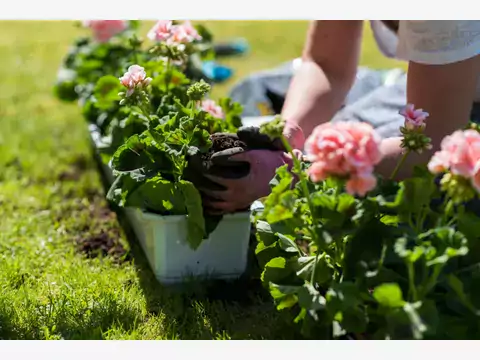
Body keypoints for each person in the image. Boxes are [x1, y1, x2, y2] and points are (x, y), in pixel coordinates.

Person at [193, 20, 480, 214]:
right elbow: (326, 64)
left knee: (405, 211)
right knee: (339, 138)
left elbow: (432, 144)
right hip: (444, 92)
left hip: (453, 123)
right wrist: (289, 132)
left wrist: (296, 173)